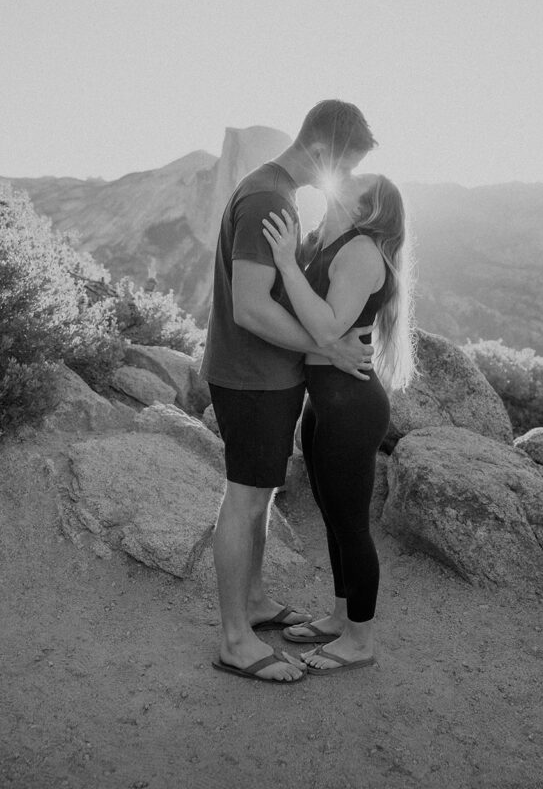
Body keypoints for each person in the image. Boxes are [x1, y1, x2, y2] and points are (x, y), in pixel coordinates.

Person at [200, 100, 378, 684]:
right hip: (251, 378)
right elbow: (250, 307)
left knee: (261, 500)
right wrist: (327, 348)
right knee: (245, 500)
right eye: (347, 166)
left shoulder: (276, 193)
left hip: (269, 378)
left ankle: (250, 604)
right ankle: (234, 639)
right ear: (325, 152)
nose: (347, 179)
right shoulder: (267, 199)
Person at [261, 170, 415, 674]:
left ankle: (360, 642)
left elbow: (327, 326)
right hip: (325, 399)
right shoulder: (341, 243)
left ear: (369, 207)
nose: (342, 181)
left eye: (356, 183)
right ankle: (340, 618)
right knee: (333, 517)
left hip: (350, 405)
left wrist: (285, 262)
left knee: (351, 525)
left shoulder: (363, 252)